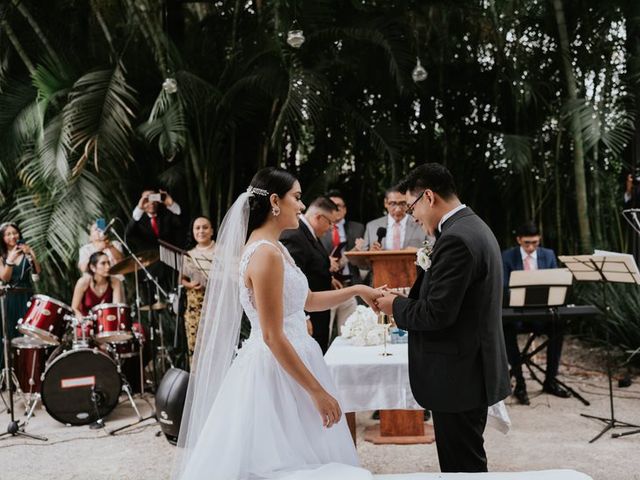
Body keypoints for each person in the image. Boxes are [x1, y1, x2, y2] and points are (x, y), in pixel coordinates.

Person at [173, 167, 382, 480]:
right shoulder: (265, 254)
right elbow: (272, 335)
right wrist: (317, 391)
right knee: (282, 463)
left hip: (294, 357)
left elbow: (306, 300)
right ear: (274, 201)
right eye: (296, 197)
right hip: (278, 371)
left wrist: (357, 290)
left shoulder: (276, 248)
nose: (301, 205)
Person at [376, 163, 511, 473]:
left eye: (412, 208)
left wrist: (392, 306)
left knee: (462, 467)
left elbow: (437, 314)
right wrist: (403, 297)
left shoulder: (456, 239)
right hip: (469, 367)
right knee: (464, 461)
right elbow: (455, 299)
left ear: (428, 197)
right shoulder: (472, 226)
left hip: (458, 375)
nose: (414, 217)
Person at [501, 221, 569, 405]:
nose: (531, 247)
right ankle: (520, 383)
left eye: (535, 243)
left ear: (539, 240)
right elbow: (504, 289)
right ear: (518, 240)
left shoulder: (548, 255)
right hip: (517, 314)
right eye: (527, 243)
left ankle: (550, 380)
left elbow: (556, 282)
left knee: (558, 326)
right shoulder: (507, 257)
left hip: (542, 312)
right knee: (505, 328)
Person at [280, 196, 341, 353]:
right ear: (318, 217)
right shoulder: (294, 235)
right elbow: (290, 280)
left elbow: (313, 265)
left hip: (319, 310)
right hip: (308, 315)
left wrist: (329, 279)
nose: (330, 228)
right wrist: (304, 316)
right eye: (330, 223)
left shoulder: (310, 233)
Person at [320, 190, 364, 335]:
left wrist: (359, 251)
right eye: (331, 205)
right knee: (323, 333)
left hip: (350, 286)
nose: (335, 209)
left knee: (350, 333)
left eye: (338, 206)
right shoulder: (320, 228)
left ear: (344, 209)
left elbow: (364, 261)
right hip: (326, 288)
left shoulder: (358, 228)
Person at [0, 222, 41, 370]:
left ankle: (25, 372)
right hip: (9, 298)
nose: (12, 236)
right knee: (7, 335)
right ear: (2, 238)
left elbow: (37, 273)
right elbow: (5, 278)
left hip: (26, 297)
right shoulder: (1, 255)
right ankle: (6, 373)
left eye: (15, 233)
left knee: (25, 335)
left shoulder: (27, 250)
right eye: (8, 234)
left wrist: (31, 254)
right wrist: (10, 261)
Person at [181, 216, 215, 363]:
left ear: (212, 231)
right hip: (195, 309)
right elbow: (181, 279)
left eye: (205, 227)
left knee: (215, 348)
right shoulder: (189, 255)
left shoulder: (221, 251)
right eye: (197, 228)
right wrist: (191, 285)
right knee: (196, 351)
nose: (201, 231)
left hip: (215, 306)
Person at [361, 186, 425, 251]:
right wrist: (371, 253)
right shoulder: (372, 226)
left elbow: (433, 250)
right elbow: (364, 257)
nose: (398, 209)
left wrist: (418, 251)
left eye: (402, 203)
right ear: (385, 203)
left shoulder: (421, 223)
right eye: (393, 203)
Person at [71, 251, 124, 319]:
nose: (108, 267)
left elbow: (116, 307)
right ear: (93, 267)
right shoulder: (83, 282)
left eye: (108, 263)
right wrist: (82, 320)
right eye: (103, 263)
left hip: (106, 322)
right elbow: (74, 308)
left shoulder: (115, 281)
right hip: (86, 323)